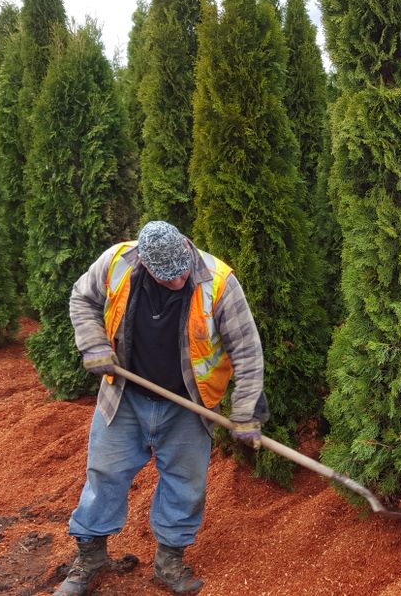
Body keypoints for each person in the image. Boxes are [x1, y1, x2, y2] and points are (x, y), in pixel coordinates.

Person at [54, 221, 267, 596]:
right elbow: (81, 298)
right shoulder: (117, 262)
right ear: (145, 262)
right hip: (125, 396)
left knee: (185, 486)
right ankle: (90, 556)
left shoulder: (218, 283)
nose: (178, 280)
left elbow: (247, 351)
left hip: (188, 404)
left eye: (182, 270)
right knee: (104, 474)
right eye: (167, 277)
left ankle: (169, 559)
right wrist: (93, 345)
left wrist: (247, 411)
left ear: (187, 246)